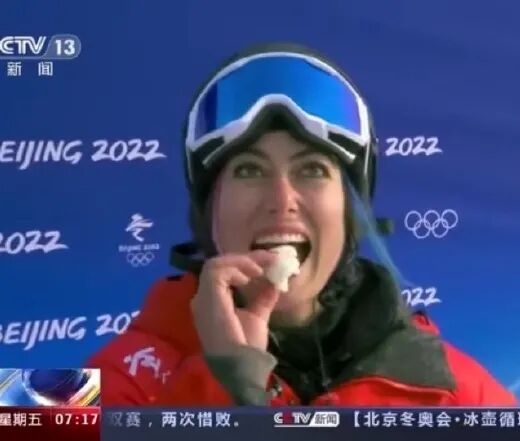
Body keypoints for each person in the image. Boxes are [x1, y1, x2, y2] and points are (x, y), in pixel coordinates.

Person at [88, 43, 517, 406]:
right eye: (249, 170)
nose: (282, 201)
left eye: (312, 169)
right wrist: (226, 387)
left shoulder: (450, 391)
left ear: (349, 213)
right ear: (208, 212)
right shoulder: (111, 386)